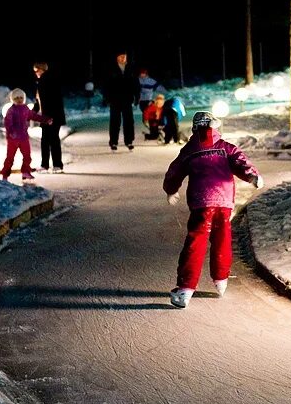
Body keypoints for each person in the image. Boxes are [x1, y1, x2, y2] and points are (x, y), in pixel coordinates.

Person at [163, 111, 264, 308]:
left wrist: (170, 190)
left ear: (194, 128)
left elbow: (174, 171)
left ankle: (185, 289)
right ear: (215, 127)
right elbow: (241, 162)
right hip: (224, 202)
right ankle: (221, 280)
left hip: (202, 203)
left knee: (196, 242)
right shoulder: (225, 148)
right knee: (222, 238)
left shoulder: (190, 150)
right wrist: (253, 176)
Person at [1, 88, 52, 182]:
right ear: (13, 99)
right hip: (13, 139)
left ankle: (25, 171)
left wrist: (46, 119)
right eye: (17, 98)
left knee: (27, 156)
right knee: (10, 157)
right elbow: (8, 123)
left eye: (21, 98)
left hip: (24, 137)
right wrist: (12, 132)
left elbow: (34, 116)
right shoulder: (11, 110)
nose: (19, 100)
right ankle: (5, 174)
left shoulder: (25, 109)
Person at [32, 62, 66, 173]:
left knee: (53, 139)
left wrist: (50, 117)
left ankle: (57, 164)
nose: (35, 72)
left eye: (37, 70)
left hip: (52, 117)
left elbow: (53, 100)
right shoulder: (41, 82)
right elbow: (39, 102)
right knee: (45, 140)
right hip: (47, 117)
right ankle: (45, 165)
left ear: (43, 69)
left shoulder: (49, 80)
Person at [102, 51, 140, 151]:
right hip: (115, 100)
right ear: (117, 58)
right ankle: (113, 142)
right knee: (115, 121)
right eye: (121, 56)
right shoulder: (111, 69)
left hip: (127, 99)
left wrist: (137, 96)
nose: (123, 58)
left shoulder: (130, 69)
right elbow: (106, 85)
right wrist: (106, 98)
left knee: (129, 121)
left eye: (124, 56)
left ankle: (129, 141)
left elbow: (135, 83)